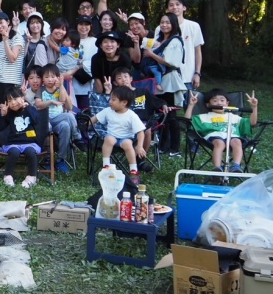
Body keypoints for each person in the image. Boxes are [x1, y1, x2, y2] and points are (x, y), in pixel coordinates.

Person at [185, 88, 259, 173]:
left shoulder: (234, 117)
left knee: (237, 141)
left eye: (222, 100)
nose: (219, 103)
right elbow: (187, 121)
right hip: (214, 138)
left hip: (232, 137)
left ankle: (236, 166)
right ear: (208, 104)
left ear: (227, 103)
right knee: (219, 143)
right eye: (215, 101)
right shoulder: (204, 117)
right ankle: (217, 168)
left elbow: (252, 123)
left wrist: (254, 107)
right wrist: (191, 105)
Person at [145, 13, 187, 156]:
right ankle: (163, 146)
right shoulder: (159, 40)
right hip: (159, 82)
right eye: (162, 22)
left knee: (171, 115)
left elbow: (171, 62)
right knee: (161, 114)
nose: (164, 25)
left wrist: (151, 55)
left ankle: (175, 148)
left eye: (168, 22)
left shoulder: (175, 41)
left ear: (174, 24)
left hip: (170, 82)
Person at [90, 85, 146, 185]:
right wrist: (84, 124)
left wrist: (140, 146)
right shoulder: (108, 111)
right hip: (112, 136)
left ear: (124, 102)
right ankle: (106, 166)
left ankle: (133, 171)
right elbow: (94, 119)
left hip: (126, 138)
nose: (110, 101)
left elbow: (140, 131)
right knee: (109, 139)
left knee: (128, 144)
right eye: (110, 99)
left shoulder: (131, 115)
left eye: (113, 100)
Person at [0, 87, 47, 188]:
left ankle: (31, 177)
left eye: (15, 99)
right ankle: (8, 176)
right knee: (14, 152)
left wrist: (27, 107)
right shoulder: (9, 113)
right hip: (13, 143)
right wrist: (3, 116)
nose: (13, 103)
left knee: (31, 152)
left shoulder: (30, 109)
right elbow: (0, 128)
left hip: (30, 142)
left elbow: (36, 120)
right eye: (10, 100)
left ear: (22, 98)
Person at [34, 64, 80, 174]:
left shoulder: (60, 89)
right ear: (43, 79)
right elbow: (38, 104)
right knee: (55, 123)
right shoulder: (41, 90)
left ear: (58, 77)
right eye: (46, 77)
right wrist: (50, 102)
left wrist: (62, 86)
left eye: (53, 76)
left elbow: (66, 104)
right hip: (45, 119)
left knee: (66, 124)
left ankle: (61, 159)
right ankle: (47, 158)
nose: (50, 79)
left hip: (58, 119)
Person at [0, 12, 24, 104]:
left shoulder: (17, 37)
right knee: (0, 108)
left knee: (12, 108)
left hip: (11, 82)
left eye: (1, 22)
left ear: (8, 22)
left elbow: (12, 58)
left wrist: (5, 41)